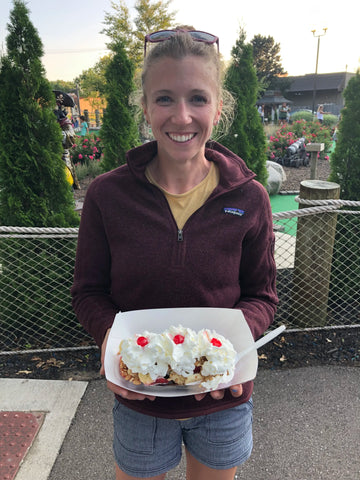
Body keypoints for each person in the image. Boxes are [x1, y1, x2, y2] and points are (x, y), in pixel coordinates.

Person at [71, 29, 278, 480]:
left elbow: (262, 295)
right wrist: (111, 340)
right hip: (140, 398)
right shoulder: (108, 196)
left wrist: (232, 349)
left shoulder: (250, 197)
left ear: (218, 108)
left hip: (223, 395)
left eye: (198, 99)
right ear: (144, 108)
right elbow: (89, 292)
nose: (181, 116)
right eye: (164, 98)